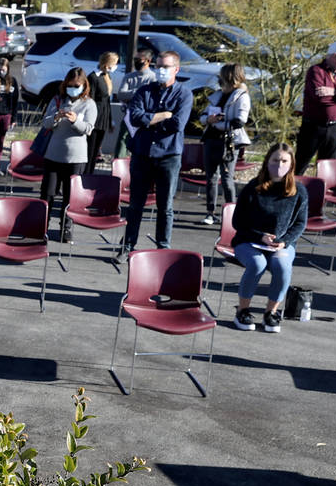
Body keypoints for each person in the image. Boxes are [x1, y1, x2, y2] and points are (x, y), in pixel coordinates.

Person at [230, 141, 308, 334]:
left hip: (280, 244)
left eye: (284, 161)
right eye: (275, 160)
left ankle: (271, 313)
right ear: (267, 162)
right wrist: (260, 236)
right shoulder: (253, 187)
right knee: (257, 264)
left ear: (291, 164)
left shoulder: (299, 191)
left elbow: (300, 224)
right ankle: (243, 310)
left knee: (282, 265)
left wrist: (285, 241)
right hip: (248, 240)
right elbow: (238, 222)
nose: (279, 165)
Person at [122, 49, 192, 253]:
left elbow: (177, 124)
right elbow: (134, 117)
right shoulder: (144, 91)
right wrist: (162, 115)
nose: (160, 70)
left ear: (176, 69)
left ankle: (163, 247)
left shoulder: (184, 94)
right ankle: (128, 245)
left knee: (165, 206)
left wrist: (149, 119)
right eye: (158, 66)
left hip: (168, 156)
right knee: (136, 204)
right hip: (142, 154)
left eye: (165, 67)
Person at [38, 67, 97, 243]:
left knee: (70, 196)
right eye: (70, 85)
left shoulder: (89, 104)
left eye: (76, 86)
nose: (73, 89)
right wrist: (56, 117)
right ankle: (42, 226)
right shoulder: (57, 100)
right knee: (47, 193)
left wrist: (75, 120)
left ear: (84, 85)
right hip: (54, 154)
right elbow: (45, 123)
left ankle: (66, 227)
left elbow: (88, 129)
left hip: (76, 157)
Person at [294, 39, 336, 175]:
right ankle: (291, 193)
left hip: (334, 126)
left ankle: (323, 193)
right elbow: (321, 99)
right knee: (301, 163)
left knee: (328, 166)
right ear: (335, 55)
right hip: (313, 127)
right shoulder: (316, 71)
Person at [200, 63, 252, 226]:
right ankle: (210, 212)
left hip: (229, 141)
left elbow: (240, 121)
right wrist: (209, 120)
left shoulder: (241, 96)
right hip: (211, 139)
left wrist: (218, 123)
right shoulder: (218, 95)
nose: (219, 80)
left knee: (227, 177)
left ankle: (232, 214)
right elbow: (203, 116)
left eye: (222, 77)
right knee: (211, 177)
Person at [114, 50, 155, 158]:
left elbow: (150, 99)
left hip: (145, 116)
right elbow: (121, 95)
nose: (136, 62)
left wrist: (132, 95)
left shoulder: (153, 78)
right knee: (123, 140)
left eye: (138, 60)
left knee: (141, 144)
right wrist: (140, 92)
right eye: (135, 59)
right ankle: (119, 164)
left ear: (148, 61)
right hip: (129, 114)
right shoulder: (129, 77)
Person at [86, 51, 117, 174]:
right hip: (95, 119)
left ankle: (90, 174)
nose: (116, 66)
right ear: (107, 64)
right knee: (90, 150)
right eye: (114, 63)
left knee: (95, 152)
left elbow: (107, 101)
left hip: (103, 118)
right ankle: (85, 175)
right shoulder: (93, 77)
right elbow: (90, 100)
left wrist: (110, 121)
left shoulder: (107, 76)